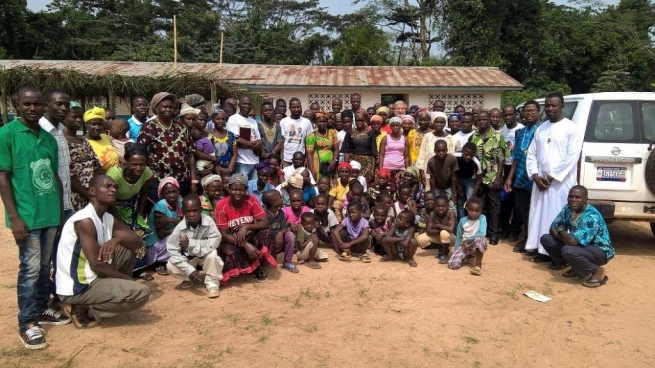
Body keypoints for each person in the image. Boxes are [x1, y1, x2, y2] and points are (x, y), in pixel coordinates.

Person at [1, 86, 70, 349]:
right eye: (26, 104)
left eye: (37, 104)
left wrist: (62, 212)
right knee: (29, 269)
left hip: (50, 214)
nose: (32, 108)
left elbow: (54, 177)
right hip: (27, 217)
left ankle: (42, 308)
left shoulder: (50, 138)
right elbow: (3, 178)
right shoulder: (6, 135)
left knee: (43, 266)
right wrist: (14, 217)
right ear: (16, 106)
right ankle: (27, 323)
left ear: (44, 107)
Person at [56, 175, 150, 329]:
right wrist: (127, 280)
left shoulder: (106, 217)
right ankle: (81, 309)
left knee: (125, 249)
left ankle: (109, 294)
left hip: (91, 275)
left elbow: (137, 242)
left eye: (115, 187)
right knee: (142, 292)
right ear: (92, 191)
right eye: (107, 186)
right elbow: (97, 266)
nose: (113, 190)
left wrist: (117, 240)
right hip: (78, 286)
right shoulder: (85, 221)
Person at [525, 92, 584, 261]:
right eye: (547, 106)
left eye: (554, 105)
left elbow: (571, 157)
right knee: (539, 216)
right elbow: (532, 154)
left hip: (560, 183)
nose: (550, 109)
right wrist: (536, 176)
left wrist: (551, 177)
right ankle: (541, 249)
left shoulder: (572, 128)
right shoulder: (541, 129)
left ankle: (558, 253)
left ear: (562, 106)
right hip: (541, 183)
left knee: (558, 217)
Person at [540, 186, 615, 288]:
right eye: (571, 197)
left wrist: (562, 232)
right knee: (546, 239)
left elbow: (572, 240)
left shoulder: (592, 216)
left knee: (568, 250)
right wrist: (567, 238)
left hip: (600, 251)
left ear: (586, 200)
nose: (574, 200)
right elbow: (553, 228)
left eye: (578, 197)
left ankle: (597, 270)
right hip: (580, 246)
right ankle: (573, 266)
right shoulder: (568, 208)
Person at [137, 92, 197, 211]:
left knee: (180, 212)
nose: (168, 109)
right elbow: (141, 153)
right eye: (164, 107)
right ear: (156, 109)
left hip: (182, 180)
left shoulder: (181, 127)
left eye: (171, 107)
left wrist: (194, 180)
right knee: (158, 212)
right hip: (157, 180)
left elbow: (190, 154)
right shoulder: (148, 127)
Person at [106, 144, 156, 279]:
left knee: (141, 232)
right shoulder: (115, 175)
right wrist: (120, 222)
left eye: (142, 164)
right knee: (124, 234)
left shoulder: (146, 172)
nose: (138, 168)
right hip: (113, 208)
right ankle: (122, 270)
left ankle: (139, 269)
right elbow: (109, 201)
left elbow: (144, 194)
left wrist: (139, 214)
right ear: (126, 162)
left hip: (132, 207)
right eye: (134, 164)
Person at [215, 174, 275, 283]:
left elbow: (266, 222)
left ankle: (257, 267)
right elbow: (224, 234)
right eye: (234, 189)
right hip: (232, 239)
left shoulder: (251, 200)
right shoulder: (221, 205)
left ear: (246, 190)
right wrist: (246, 245)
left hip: (250, 235)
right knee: (230, 251)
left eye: (241, 190)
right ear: (229, 189)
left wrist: (247, 227)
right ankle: (237, 268)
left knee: (266, 234)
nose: (237, 192)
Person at [166, 195, 224, 298]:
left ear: (201, 209)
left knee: (213, 255)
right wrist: (188, 268)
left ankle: (212, 284)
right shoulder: (179, 228)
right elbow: (172, 250)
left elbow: (216, 240)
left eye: (195, 210)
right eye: (188, 211)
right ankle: (189, 278)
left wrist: (192, 244)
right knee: (170, 266)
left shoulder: (209, 221)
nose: (192, 214)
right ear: (183, 211)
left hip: (205, 256)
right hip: (189, 259)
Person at [504, 100, 540, 252]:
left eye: (533, 110)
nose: (529, 113)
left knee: (537, 211)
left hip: (537, 179)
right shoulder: (520, 133)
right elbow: (516, 158)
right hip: (520, 177)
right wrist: (509, 178)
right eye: (526, 111)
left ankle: (533, 241)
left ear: (539, 112)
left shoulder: (541, 131)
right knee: (521, 209)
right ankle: (526, 238)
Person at [470, 110, 506, 245]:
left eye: (484, 119)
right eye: (479, 120)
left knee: (494, 206)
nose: (482, 122)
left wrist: (498, 178)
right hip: (478, 177)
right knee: (480, 205)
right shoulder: (474, 136)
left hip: (492, 177)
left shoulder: (497, 136)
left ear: (489, 120)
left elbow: (501, 159)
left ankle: (495, 233)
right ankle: (482, 231)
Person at [39, 89, 72, 220]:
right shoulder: (40, 131)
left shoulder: (60, 130)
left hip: (65, 201)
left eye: (67, 105)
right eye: (58, 104)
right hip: (49, 204)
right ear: (46, 106)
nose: (64, 108)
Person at [63, 103, 102, 211]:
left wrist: (94, 191)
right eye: (74, 117)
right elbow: (70, 176)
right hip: (74, 197)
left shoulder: (84, 141)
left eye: (80, 117)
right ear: (64, 119)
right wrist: (88, 195)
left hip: (91, 193)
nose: (79, 120)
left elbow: (96, 167)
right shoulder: (62, 142)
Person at [499, 104, 524, 241]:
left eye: (510, 114)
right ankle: (505, 228)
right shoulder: (501, 131)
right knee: (505, 201)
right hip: (505, 169)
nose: (508, 117)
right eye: (505, 115)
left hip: (518, 170)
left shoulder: (520, 129)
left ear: (515, 114)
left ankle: (516, 230)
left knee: (517, 202)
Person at [448, 197, 488, 276]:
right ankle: (467, 257)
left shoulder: (482, 218)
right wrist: (456, 250)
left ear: (481, 211)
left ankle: (478, 265)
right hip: (464, 246)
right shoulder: (463, 220)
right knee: (453, 264)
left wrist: (467, 240)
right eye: (471, 210)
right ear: (467, 209)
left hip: (475, 244)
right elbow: (458, 237)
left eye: (477, 211)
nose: (473, 213)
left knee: (480, 239)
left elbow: (482, 233)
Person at [261, 190, 298, 273]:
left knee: (290, 235)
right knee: (267, 266)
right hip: (268, 243)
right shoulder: (263, 214)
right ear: (274, 203)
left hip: (279, 241)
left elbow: (284, 226)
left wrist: (280, 233)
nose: (283, 199)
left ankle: (287, 262)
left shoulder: (280, 212)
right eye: (280, 198)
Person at [226, 96, 262, 180]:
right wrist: (253, 145)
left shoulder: (253, 121)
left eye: (249, 104)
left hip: (255, 161)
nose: (247, 106)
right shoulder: (233, 119)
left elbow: (259, 139)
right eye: (244, 104)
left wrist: (258, 143)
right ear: (239, 105)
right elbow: (236, 141)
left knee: (253, 190)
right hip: (241, 162)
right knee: (241, 189)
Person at [416, 112, 455, 189]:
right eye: (437, 122)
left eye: (442, 122)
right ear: (433, 123)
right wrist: (422, 173)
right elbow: (422, 154)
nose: (439, 124)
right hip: (428, 173)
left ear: (445, 123)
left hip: (444, 175)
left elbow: (451, 156)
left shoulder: (450, 138)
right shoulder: (427, 136)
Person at [342, 110, 377, 183]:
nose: (360, 122)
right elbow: (347, 151)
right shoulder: (350, 132)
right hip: (353, 163)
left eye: (362, 120)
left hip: (367, 164)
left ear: (365, 120)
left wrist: (372, 170)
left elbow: (373, 152)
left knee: (364, 183)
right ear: (355, 121)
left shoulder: (371, 132)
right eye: (358, 120)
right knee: (352, 183)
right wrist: (346, 167)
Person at [427, 140, 459, 212]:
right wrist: (433, 193)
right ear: (435, 150)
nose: (441, 153)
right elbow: (432, 178)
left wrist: (453, 193)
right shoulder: (431, 161)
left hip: (449, 186)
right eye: (438, 151)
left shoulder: (452, 159)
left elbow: (454, 176)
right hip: (437, 186)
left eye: (443, 150)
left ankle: (453, 221)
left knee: (452, 205)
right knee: (435, 204)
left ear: (446, 150)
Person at [306, 112, 339, 180]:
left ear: (327, 122)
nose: (322, 123)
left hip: (330, 163)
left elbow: (336, 149)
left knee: (331, 182)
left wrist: (334, 160)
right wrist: (311, 169)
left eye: (324, 121)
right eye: (320, 122)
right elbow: (309, 153)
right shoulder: (312, 135)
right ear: (316, 122)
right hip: (317, 163)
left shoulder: (332, 133)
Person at [280, 98, 313, 165]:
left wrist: (306, 158)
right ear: (289, 108)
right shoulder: (283, 121)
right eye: (294, 107)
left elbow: (309, 142)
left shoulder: (307, 122)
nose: (296, 109)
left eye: (298, 107)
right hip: (287, 159)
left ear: (301, 107)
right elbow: (282, 142)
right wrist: (282, 159)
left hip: (301, 160)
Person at [456, 142, 483, 220]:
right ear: (462, 151)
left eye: (471, 155)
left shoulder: (476, 162)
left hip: (470, 181)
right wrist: (457, 185)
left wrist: (472, 196)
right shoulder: (455, 156)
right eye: (466, 154)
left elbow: (478, 181)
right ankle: (462, 223)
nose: (468, 157)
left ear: (474, 154)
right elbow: (452, 173)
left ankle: (471, 223)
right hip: (458, 179)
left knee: (470, 203)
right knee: (460, 202)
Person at [209, 107, 237, 178]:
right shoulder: (208, 136)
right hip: (214, 170)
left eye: (223, 119)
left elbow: (235, 154)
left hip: (229, 171)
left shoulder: (230, 135)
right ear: (213, 120)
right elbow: (208, 156)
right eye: (218, 119)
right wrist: (219, 169)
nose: (220, 121)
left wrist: (229, 169)